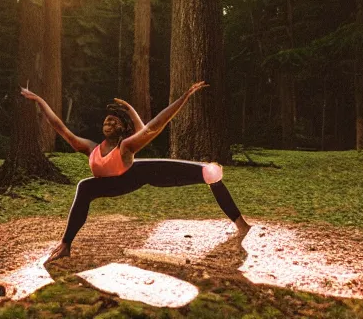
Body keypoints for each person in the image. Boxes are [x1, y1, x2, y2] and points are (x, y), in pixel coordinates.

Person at [20, 82, 251, 262]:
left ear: (122, 129)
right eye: (106, 122)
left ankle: (241, 223)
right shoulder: (90, 148)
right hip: (108, 185)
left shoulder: (126, 146)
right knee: (84, 186)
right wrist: (39, 99)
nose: (108, 123)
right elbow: (60, 127)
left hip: (139, 175)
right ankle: (65, 245)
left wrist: (184, 97)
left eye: (113, 122)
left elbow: (153, 127)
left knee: (210, 173)